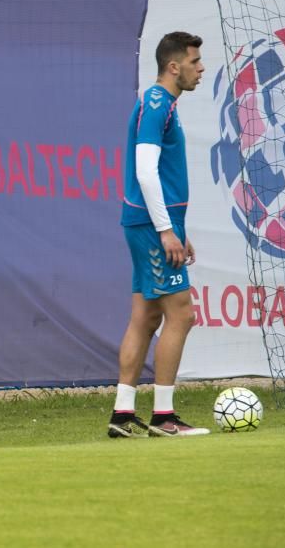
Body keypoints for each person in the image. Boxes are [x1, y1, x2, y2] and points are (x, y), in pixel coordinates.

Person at [109, 31, 209, 438]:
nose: (200, 68)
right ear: (173, 66)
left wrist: (178, 230)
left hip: (152, 224)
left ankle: (122, 413)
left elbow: (160, 176)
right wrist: (166, 230)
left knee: (146, 316)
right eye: (194, 61)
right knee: (181, 314)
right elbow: (145, 171)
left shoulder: (162, 103)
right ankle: (164, 417)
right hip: (152, 226)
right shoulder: (156, 104)